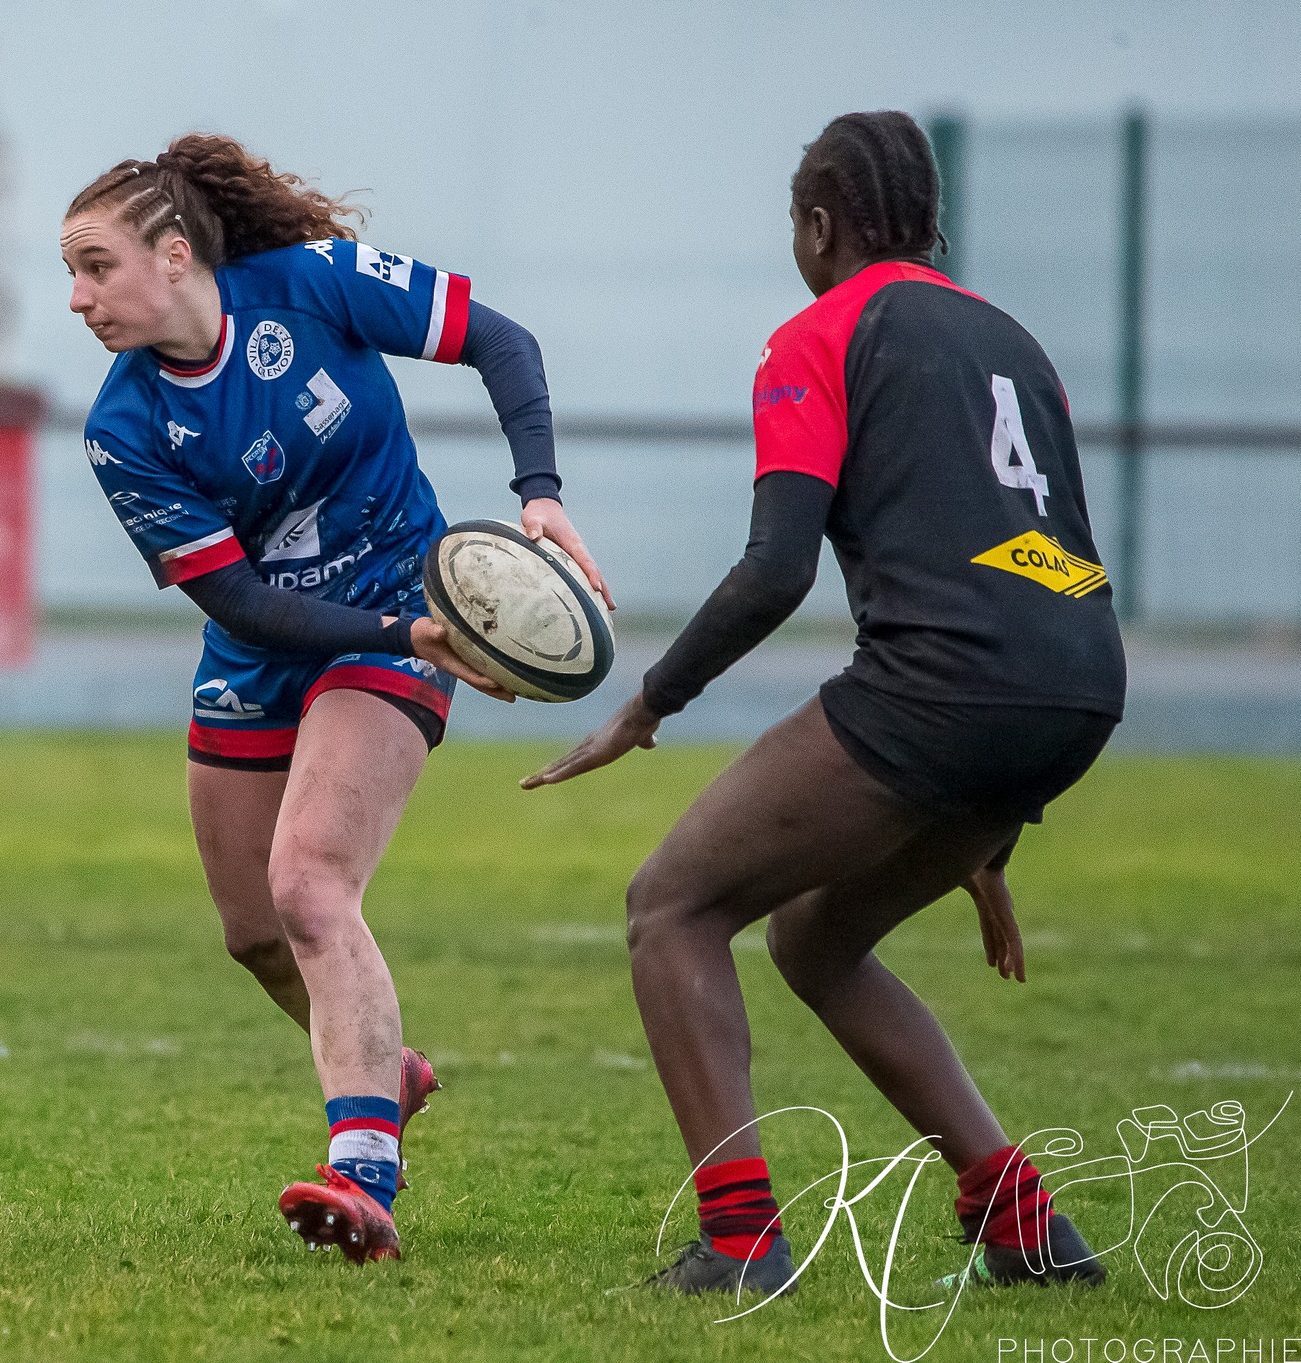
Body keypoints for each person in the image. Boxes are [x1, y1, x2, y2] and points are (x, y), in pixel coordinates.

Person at [524, 111, 1124, 1296]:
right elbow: (1042, 552)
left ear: (817, 223)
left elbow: (773, 568)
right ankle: (1019, 1222)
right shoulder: (1012, 341)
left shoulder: (818, 333)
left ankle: (741, 1244)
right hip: (1074, 683)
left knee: (669, 906)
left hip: (942, 686)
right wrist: (987, 823)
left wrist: (647, 703)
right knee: (815, 935)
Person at [63, 133, 610, 1263]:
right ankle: (384, 1071)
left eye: (93, 265)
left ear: (172, 256)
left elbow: (497, 340)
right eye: (67, 272)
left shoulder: (313, 283)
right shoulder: (123, 431)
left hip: (402, 608)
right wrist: (396, 631)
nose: (76, 297)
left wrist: (539, 496)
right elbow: (247, 606)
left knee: (309, 881)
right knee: (254, 934)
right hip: (273, 646)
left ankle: (362, 1174)